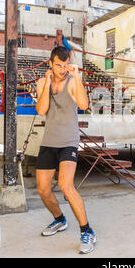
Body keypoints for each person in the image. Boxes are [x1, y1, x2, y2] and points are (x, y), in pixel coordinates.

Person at [35, 46, 96, 254]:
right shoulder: (43, 82)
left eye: (65, 64)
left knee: (65, 185)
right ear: (50, 64)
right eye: (58, 65)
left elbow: (84, 103)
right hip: (49, 141)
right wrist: (47, 84)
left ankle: (87, 231)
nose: (62, 69)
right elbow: (42, 110)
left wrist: (77, 78)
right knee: (43, 190)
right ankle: (60, 219)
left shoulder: (72, 81)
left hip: (68, 141)